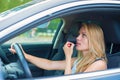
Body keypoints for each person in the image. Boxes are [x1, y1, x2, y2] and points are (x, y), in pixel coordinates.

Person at [10, 22, 107, 75]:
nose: (77, 38)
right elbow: (50, 64)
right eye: (78, 34)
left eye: (84, 35)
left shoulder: (99, 64)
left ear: (94, 40)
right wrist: (25, 55)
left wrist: (68, 56)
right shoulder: (80, 60)